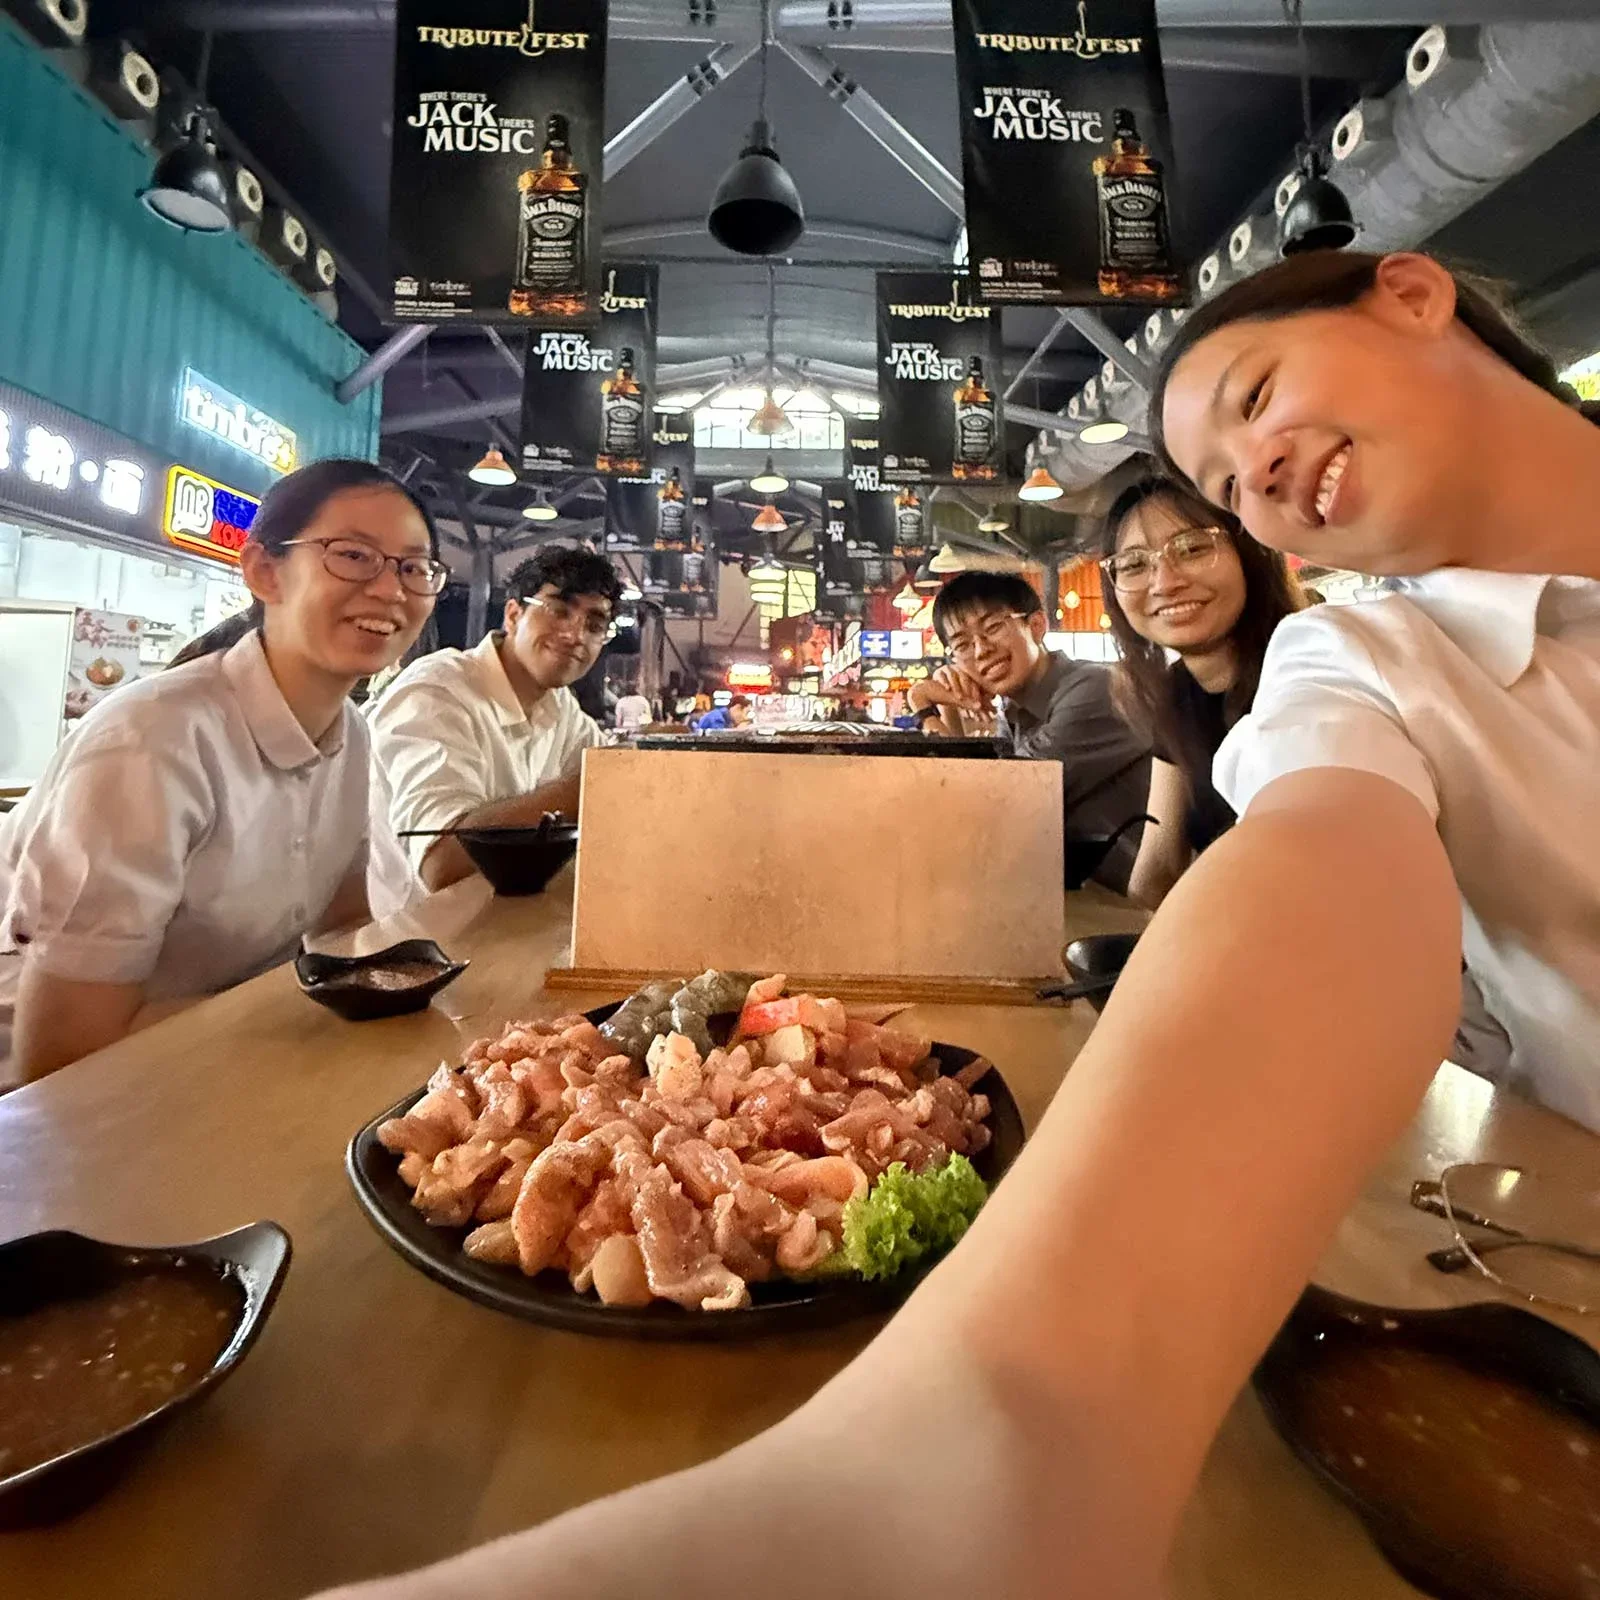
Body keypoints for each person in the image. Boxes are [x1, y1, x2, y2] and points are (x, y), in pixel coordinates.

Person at [309, 250, 1600, 1600]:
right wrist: (1004, 1421)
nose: (1260, 475)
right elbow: (1328, 866)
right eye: (1222, 481)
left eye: (1258, 397)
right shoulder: (1361, 667)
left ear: (1413, 293)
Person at [0, 460, 442, 1083]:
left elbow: (341, 934)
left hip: (214, 1066)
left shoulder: (352, 733)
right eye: (352, 555)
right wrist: (302, 1022)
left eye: (414, 567)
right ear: (264, 570)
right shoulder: (153, 741)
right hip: (55, 1108)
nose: (391, 590)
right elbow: (62, 1051)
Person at [1099, 474, 1304, 906]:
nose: (1164, 581)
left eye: (1192, 548)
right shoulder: (1176, 692)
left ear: (1248, 553)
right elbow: (1158, 862)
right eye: (1135, 564)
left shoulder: (1308, 672)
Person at [368, 545, 621, 893]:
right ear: (514, 615)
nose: (575, 635)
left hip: (496, 927)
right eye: (558, 610)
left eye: (594, 625)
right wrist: (596, 784)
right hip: (407, 937)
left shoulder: (561, 708)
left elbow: (622, 780)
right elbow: (441, 866)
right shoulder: (438, 691)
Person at [908, 571, 1152, 890]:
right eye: (962, 644)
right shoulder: (1015, 710)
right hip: (1092, 899)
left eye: (993, 627)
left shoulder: (1094, 691)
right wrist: (949, 708)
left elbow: (993, 801)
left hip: (1151, 908)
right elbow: (973, 795)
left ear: (1036, 626)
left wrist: (922, 708)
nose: (981, 650)